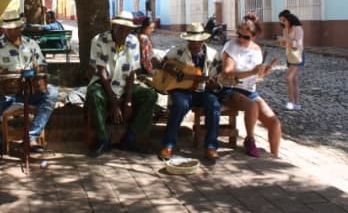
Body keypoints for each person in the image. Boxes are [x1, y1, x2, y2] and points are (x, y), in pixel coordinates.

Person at [0, 10, 59, 158]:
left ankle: (31, 137)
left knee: (52, 93)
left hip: (29, 89)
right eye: (8, 28)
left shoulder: (31, 44)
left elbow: (42, 65)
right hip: (2, 89)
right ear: (3, 28)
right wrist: (3, 73)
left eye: (15, 28)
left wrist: (38, 68)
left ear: (20, 27)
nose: (11, 31)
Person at [86, 10, 158, 157]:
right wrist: (114, 103)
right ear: (114, 26)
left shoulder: (133, 41)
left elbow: (132, 72)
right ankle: (103, 139)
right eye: (120, 28)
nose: (124, 33)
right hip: (103, 83)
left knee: (150, 95)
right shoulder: (99, 40)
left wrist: (128, 102)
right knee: (94, 94)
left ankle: (131, 139)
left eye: (127, 29)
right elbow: (102, 72)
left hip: (125, 84)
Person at [156, 23, 222, 161]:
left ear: (203, 40)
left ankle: (211, 147)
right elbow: (160, 63)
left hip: (204, 91)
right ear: (188, 40)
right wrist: (177, 72)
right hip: (182, 90)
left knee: (214, 105)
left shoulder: (213, 54)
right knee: (179, 105)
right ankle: (168, 145)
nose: (195, 44)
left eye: (198, 41)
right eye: (192, 41)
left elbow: (218, 78)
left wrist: (215, 84)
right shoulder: (178, 51)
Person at [221, 13, 281, 157]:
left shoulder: (257, 50)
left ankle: (275, 156)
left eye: (246, 37)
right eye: (239, 35)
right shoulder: (231, 46)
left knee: (274, 123)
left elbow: (256, 76)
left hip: (249, 91)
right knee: (252, 105)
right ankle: (250, 139)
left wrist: (262, 72)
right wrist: (252, 71)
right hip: (231, 88)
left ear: (254, 36)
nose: (241, 39)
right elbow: (227, 74)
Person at [277, 10, 304, 110]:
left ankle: (291, 101)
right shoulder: (285, 30)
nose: (282, 22)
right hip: (289, 55)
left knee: (288, 78)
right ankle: (297, 103)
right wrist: (281, 42)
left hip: (298, 55)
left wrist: (285, 40)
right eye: (280, 20)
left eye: (283, 20)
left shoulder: (298, 29)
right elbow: (285, 45)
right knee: (294, 80)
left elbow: (297, 44)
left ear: (289, 19)